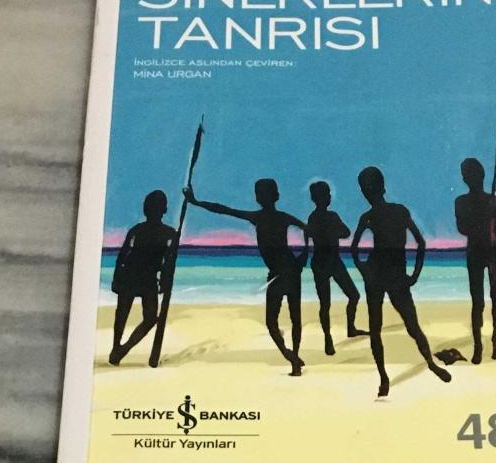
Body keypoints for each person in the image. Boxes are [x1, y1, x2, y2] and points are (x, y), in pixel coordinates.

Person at [183, 180, 308, 375]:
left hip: (288, 272)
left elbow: (308, 230)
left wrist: (304, 257)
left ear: (271, 196)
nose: (260, 197)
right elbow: (223, 210)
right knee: (278, 321)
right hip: (282, 272)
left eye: (262, 193)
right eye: (259, 193)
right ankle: (291, 356)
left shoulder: (275, 217)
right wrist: (196, 202)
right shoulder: (263, 217)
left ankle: (293, 359)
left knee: (289, 319)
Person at [351, 166, 451, 397]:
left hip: (383, 274)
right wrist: (414, 274)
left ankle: (390, 376)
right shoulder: (395, 212)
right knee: (404, 325)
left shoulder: (372, 216)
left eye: (366, 189)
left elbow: (354, 250)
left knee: (385, 328)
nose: (367, 193)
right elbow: (420, 243)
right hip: (389, 274)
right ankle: (414, 368)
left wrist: (364, 269)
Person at [109, 190, 176, 366]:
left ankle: (121, 348)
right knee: (123, 315)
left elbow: (168, 262)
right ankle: (117, 348)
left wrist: (164, 280)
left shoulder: (167, 233)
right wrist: (117, 278)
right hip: (133, 277)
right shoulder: (162, 232)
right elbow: (123, 256)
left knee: (147, 317)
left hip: (143, 278)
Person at [454, 157, 496, 363]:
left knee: (482, 299)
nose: (465, 178)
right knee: (490, 298)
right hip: (487, 249)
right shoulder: (492, 201)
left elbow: (465, 228)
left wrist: (489, 218)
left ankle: (487, 343)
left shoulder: (484, 201)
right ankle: (487, 342)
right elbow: (466, 227)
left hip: (481, 250)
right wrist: (486, 218)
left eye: (465, 174)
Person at [307, 181, 367, 355]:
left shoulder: (315, 217)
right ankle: (331, 337)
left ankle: (344, 331)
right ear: (321, 198)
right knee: (341, 299)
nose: (329, 197)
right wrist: (332, 232)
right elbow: (345, 232)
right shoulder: (329, 216)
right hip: (328, 261)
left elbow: (344, 233)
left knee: (345, 298)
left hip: (326, 262)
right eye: (326, 194)